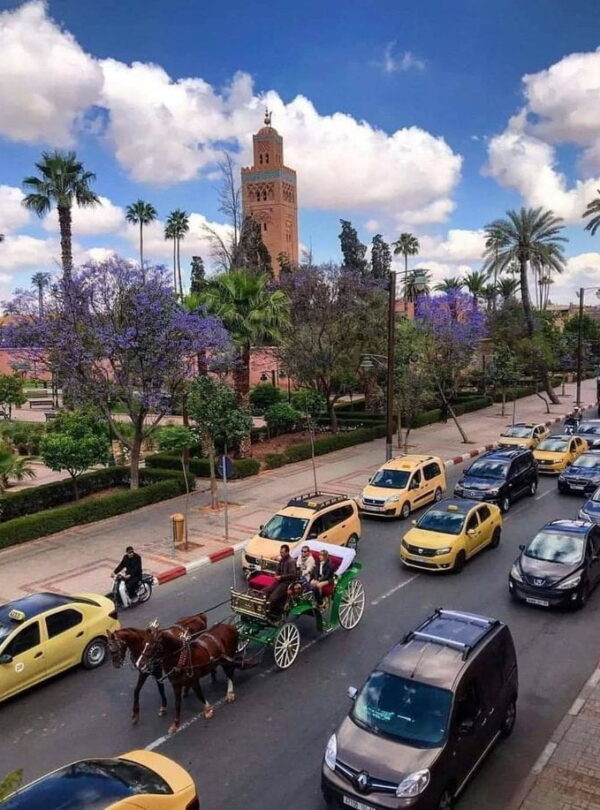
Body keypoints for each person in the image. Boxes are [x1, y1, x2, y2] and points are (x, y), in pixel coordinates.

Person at [264, 544, 297, 615]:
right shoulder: (282, 560)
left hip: (286, 583)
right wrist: (276, 574)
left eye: (282, 552)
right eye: (280, 552)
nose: (281, 554)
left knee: (272, 597)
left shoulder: (291, 561)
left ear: (287, 552)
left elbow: (293, 575)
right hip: (279, 581)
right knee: (265, 591)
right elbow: (278, 569)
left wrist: (281, 577)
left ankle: (268, 613)